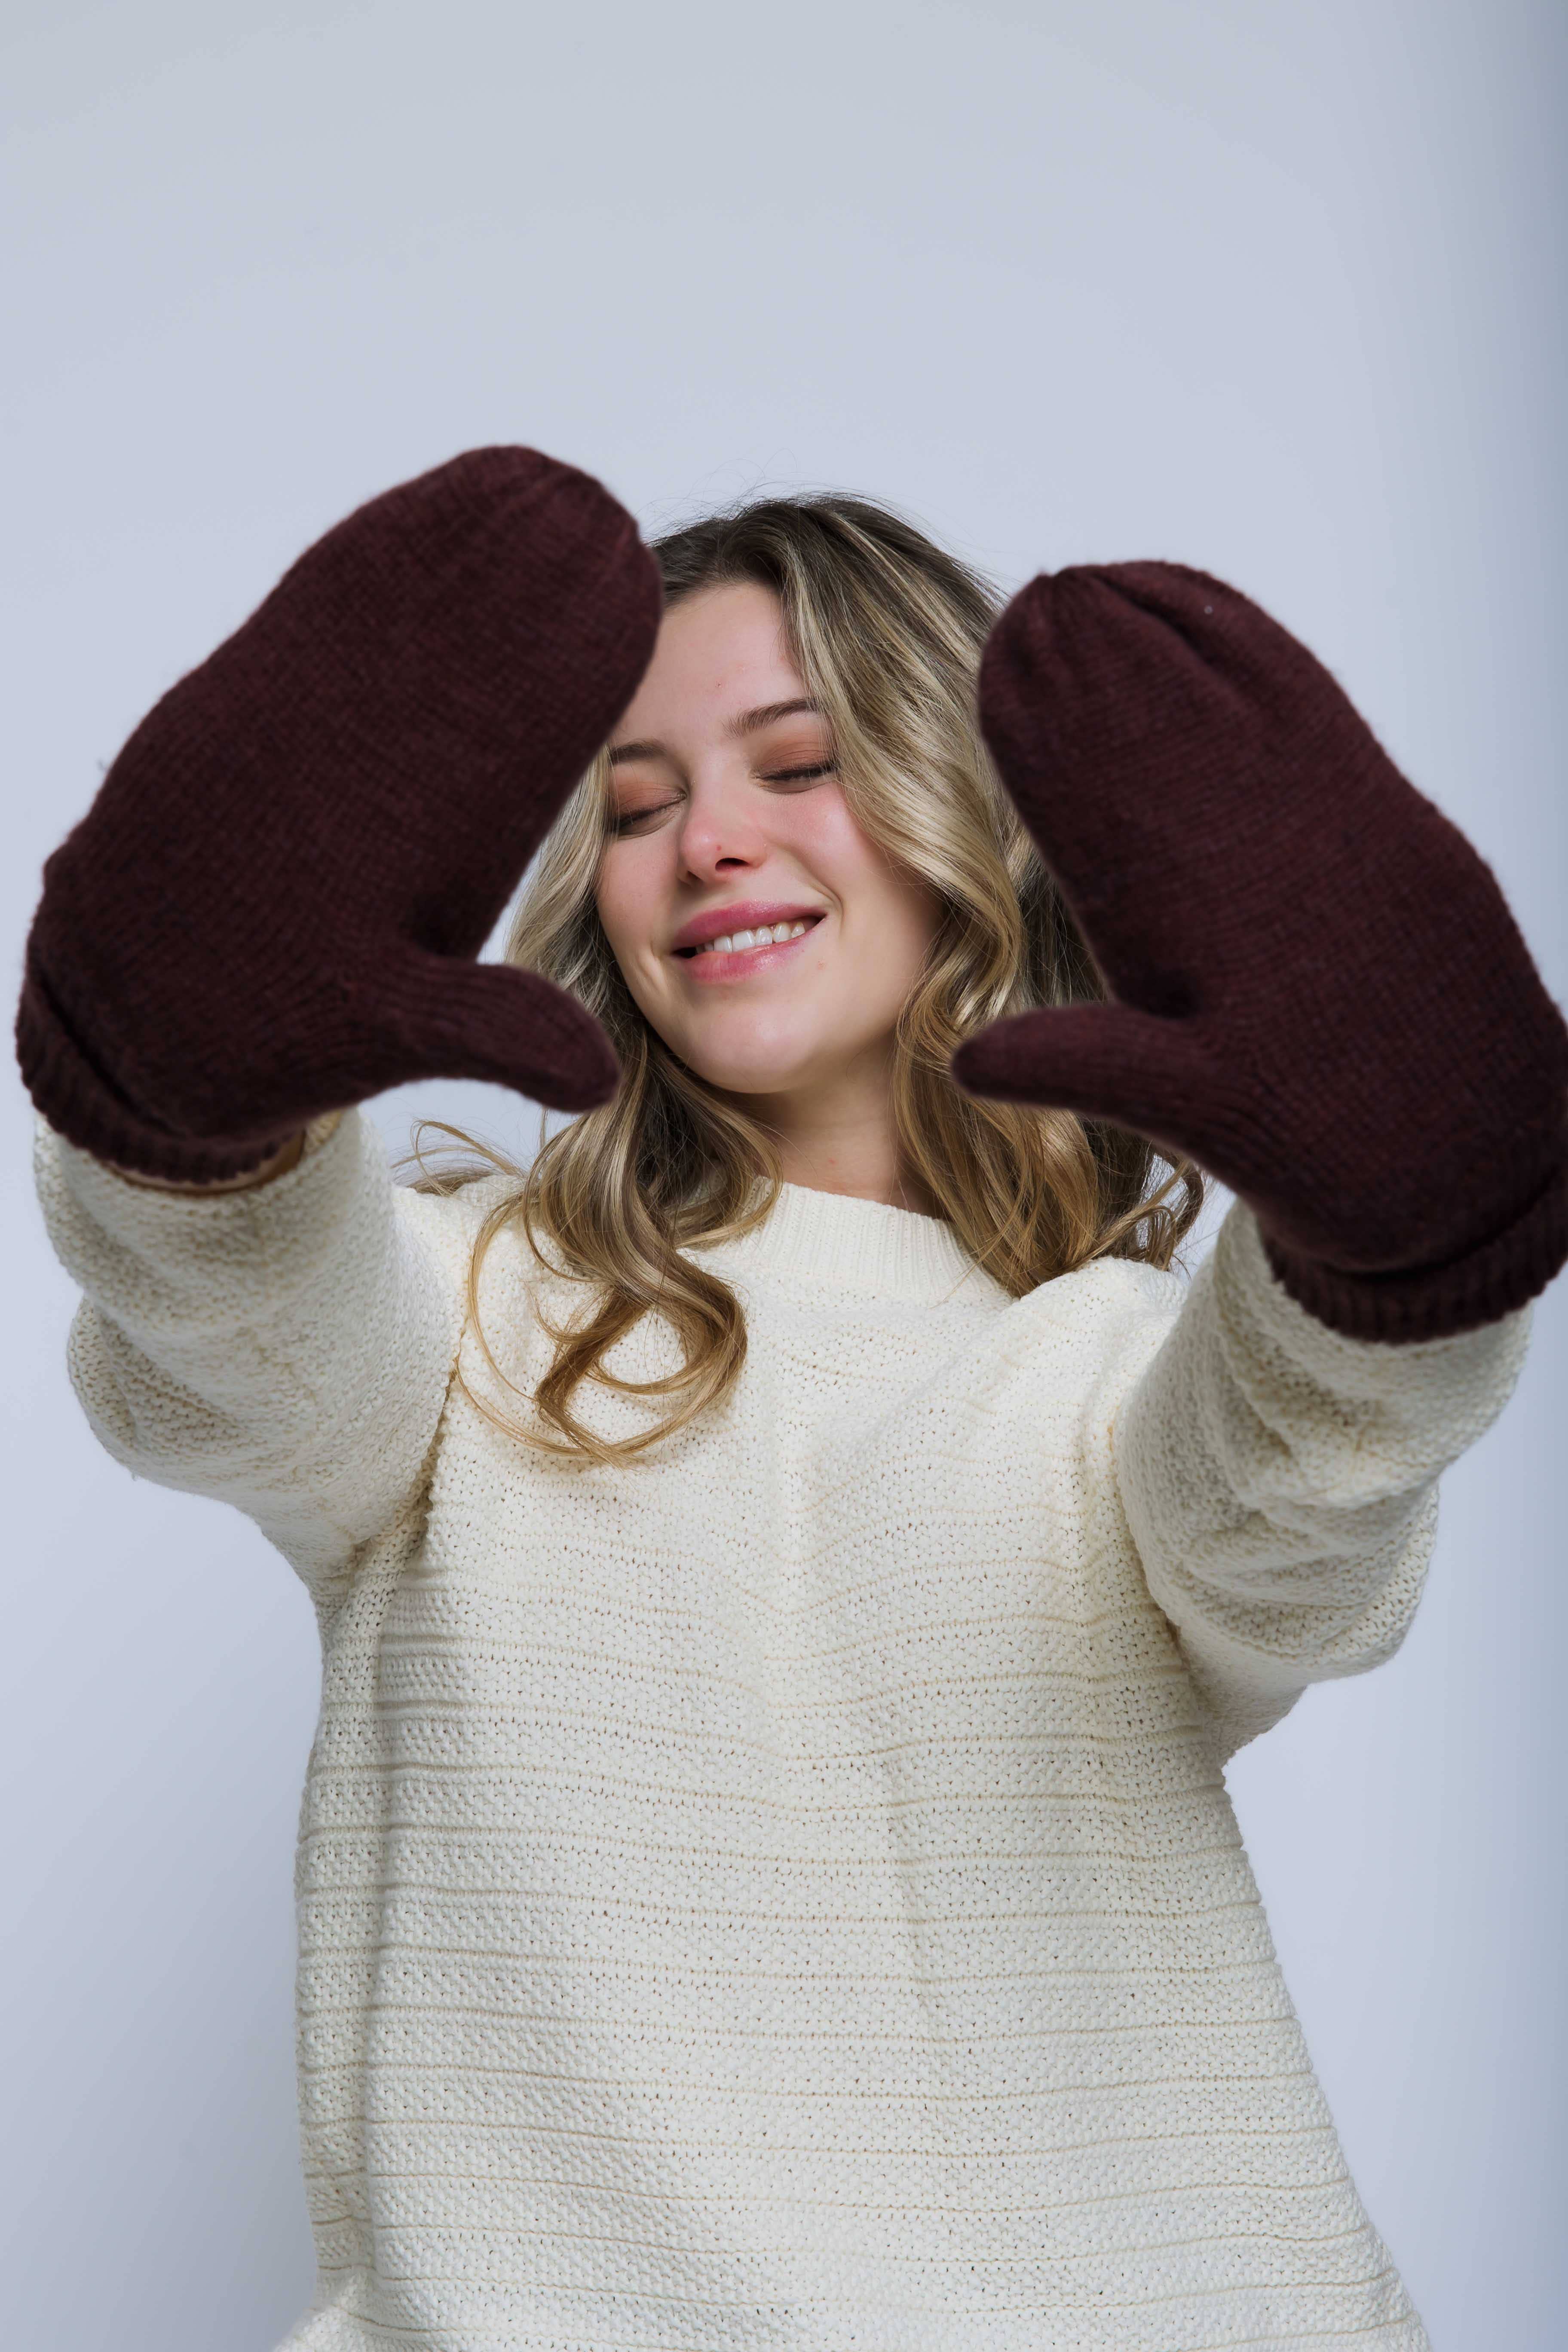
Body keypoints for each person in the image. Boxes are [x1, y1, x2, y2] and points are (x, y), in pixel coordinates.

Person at [19, 448, 1567, 2352]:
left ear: (968, 822)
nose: (708, 845)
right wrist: (180, 1095)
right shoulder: (475, 1316)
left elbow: (1299, 1488)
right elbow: (236, 1318)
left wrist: (1395, 1244)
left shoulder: (1111, 1374)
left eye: (799, 763)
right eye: (636, 803)